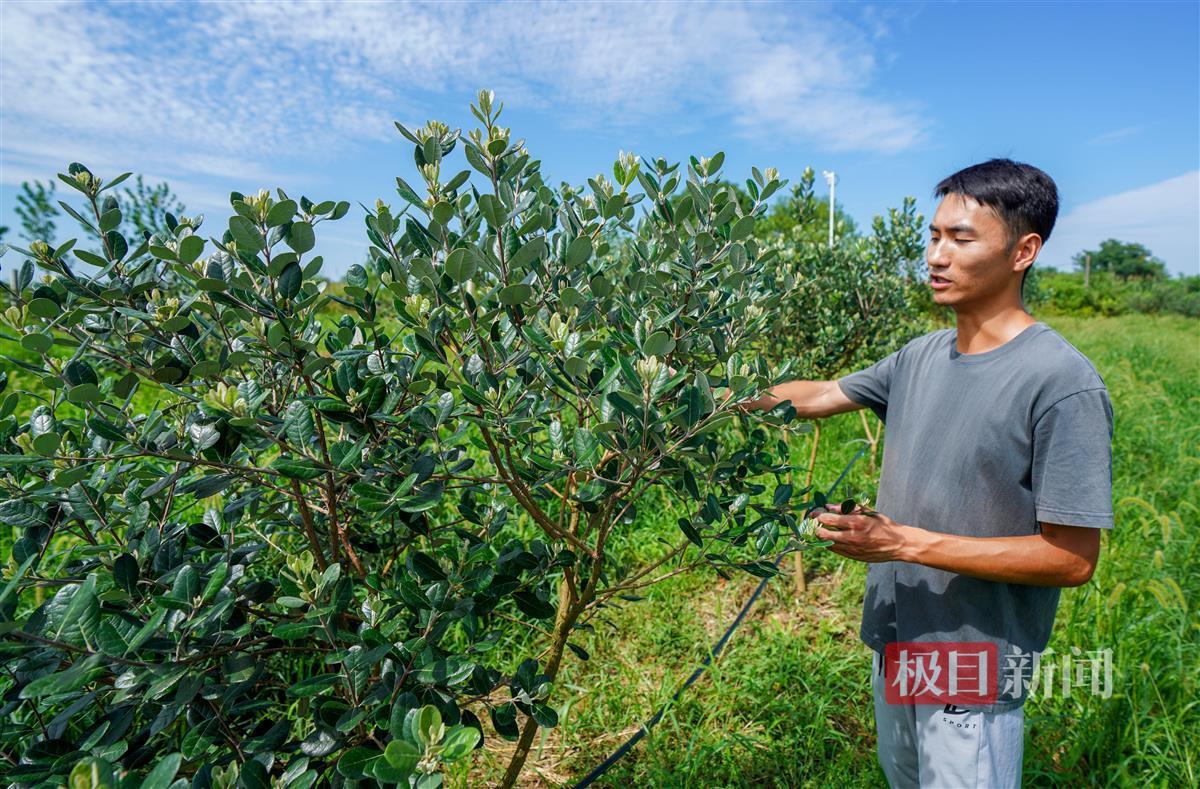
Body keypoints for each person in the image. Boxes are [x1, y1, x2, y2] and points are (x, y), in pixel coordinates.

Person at [743, 159, 1114, 788]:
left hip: (971, 661)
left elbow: (1072, 559)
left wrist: (902, 542)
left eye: (961, 239)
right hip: (896, 638)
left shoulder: (1061, 382)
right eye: (934, 236)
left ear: (1024, 250)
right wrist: (693, 399)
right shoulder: (920, 355)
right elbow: (818, 394)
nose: (937, 255)